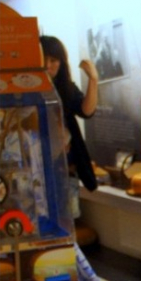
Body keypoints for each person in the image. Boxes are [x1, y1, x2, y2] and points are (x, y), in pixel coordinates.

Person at [40, 35, 99, 210]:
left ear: (61, 62)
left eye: (53, 60)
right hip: (39, 166)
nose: (47, 65)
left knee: (67, 216)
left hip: (66, 166)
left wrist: (93, 80)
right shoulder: (27, 91)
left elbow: (86, 110)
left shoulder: (65, 87)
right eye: (43, 59)